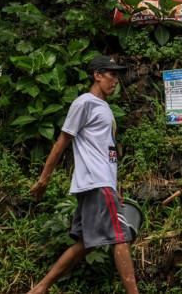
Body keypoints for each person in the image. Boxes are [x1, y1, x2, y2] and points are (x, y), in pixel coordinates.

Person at [27, 55, 138, 294]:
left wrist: (114, 188)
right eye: (112, 74)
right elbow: (62, 141)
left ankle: (40, 288)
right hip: (96, 182)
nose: (116, 80)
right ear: (97, 75)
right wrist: (43, 179)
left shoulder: (105, 107)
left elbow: (104, 152)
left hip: (100, 184)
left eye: (118, 75)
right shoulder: (84, 103)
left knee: (87, 243)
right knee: (121, 236)